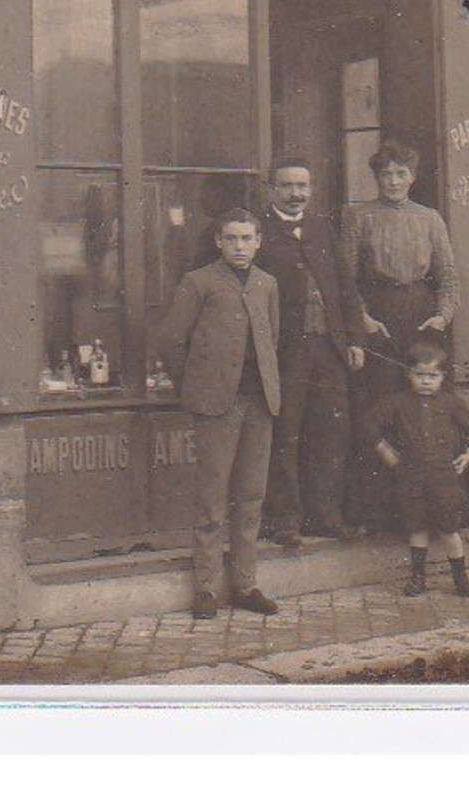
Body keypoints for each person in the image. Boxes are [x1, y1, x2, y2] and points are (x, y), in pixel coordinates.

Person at [161, 208, 283, 620]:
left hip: (259, 403)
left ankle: (246, 585)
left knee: (251, 496)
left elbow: (273, 340)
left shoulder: (267, 284)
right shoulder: (199, 282)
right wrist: (195, 388)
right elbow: (172, 342)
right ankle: (207, 589)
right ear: (218, 241)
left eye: (247, 238)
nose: (239, 247)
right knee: (212, 498)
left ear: (259, 241)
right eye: (231, 238)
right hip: (217, 405)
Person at [340, 139, 461, 530]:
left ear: (412, 176)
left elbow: (448, 277)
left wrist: (441, 317)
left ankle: (427, 513)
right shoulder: (358, 217)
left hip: (420, 320)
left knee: (423, 408)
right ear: (375, 177)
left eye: (400, 173)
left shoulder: (429, 218)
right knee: (381, 408)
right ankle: (375, 513)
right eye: (385, 174)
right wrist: (363, 318)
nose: (393, 181)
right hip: (378, 321)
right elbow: (345, 277)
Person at [255, 157, 365, 547]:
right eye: (286, 186)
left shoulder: (321, 228)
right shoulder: (258, 232)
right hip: (286, 352)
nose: (296, 193)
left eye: (302, 185)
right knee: (285, 433)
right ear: (271, 190)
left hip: (329, 349)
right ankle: (283, 521)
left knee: (330, 433)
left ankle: (324, 517)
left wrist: (354, 339)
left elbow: (344, 286)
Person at [365, 341, 469, 598]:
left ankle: (460, 578)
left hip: (444, 478)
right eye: (420, 375)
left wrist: (468, 454)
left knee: (450, 529)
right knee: (417, 528)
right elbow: (371, 424)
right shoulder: (397, 403)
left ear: (443, 377)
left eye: (433, 376)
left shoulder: (451, 404)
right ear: (409, 374)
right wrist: (386, 452)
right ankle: (418, 578)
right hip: (411, 476)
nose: (426, 382)